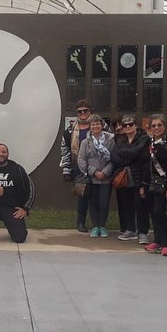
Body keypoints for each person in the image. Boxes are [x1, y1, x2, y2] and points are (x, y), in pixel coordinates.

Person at [110, 115, 151, 243]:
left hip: (139, 177)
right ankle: (130, 229)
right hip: (123, 177)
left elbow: (141, 155)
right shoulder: (120, 139)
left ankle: (143, 232)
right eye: (125, 125)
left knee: (140, 205)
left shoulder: (144, 138)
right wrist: (132, 158)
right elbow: (114, 157)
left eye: (130, 124)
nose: (128, 127)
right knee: (126, 204)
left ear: (135, 125)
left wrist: (127, 154)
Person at [143, 115, 167, 256]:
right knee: (153, 212)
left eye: (159, 125)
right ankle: (158, 240)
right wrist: (143, 185)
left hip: (165, 182)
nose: (156, 128)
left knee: (159, 211)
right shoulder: (150, 142)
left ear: (164, 127)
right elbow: (145, 164)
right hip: (151, 183)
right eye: (154, 125)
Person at [60, 99, 96, 233]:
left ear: (90, 111)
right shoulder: (70, 131)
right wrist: (66, 169)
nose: (82, 113)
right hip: (79, 167)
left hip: (98, 167)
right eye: (80, 111)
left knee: (97, 197)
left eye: (85, 111)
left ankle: (97, 224)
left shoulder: (100, 125)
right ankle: (81, 222)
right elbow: (65, 150)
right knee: (82, 196)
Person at [77, 114, 115, 238]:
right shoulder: (85, 142)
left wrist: (105, 172)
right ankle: (95, 226)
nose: (95, 126)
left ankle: (102, 226)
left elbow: (114, 158)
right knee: (93, 203)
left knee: (104, 203)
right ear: (90, 126)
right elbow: (81, 160)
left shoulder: (111, 140)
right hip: (91, 179)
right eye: (93, 124)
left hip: (106, 178)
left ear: (102, 125)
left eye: (97, 124)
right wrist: (93, 171)